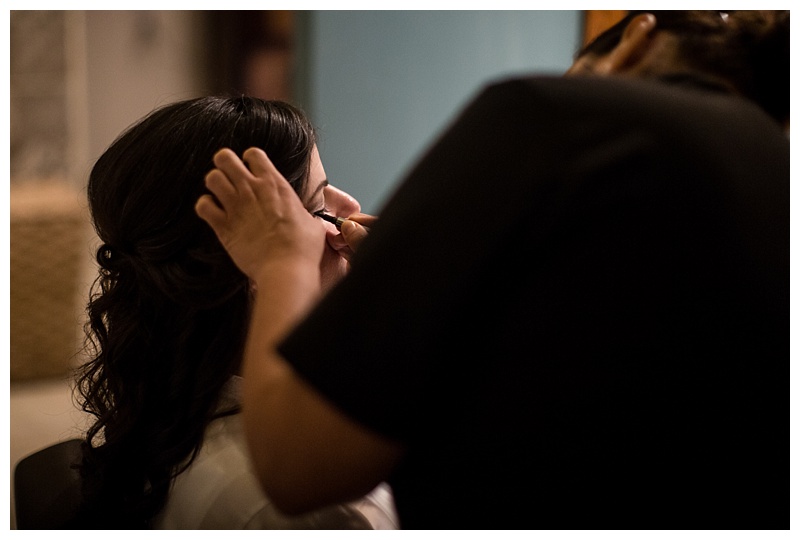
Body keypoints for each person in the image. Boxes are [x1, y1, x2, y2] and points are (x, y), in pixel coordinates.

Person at [195, 11, 789, 529]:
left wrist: (281, 257)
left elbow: (297, 464)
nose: (348, 209)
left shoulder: (555, 118)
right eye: (318, 204)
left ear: (634, 39)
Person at [74, 96, 397, 529]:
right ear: (254, 260)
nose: (351, 208)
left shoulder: (172, 414)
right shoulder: (299, 508)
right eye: (318, 205)